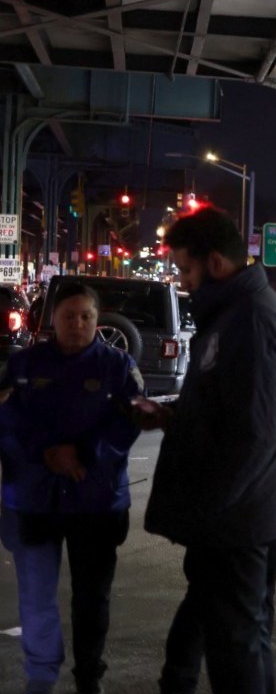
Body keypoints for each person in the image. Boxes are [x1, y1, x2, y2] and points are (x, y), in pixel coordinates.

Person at [139, 210, 276, 693]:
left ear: (215, 262)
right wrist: (173, 417)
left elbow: (254, 434)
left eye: (186, 271)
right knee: (229, 636)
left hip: (238, 522)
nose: (184, 283)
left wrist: (206, 511)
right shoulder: (234, 313)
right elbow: (228, 411)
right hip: (233, 518)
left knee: (238, 650)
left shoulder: (251, 319)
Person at [0, 282, 142, 694]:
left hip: (96, 501)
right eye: (68, 316)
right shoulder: (24, 366)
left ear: (97, 322)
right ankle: (41, 674)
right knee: (37, 593)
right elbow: (7, 422)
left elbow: (129, 422)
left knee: (91, 599)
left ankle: (88, 677)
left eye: (86, 316)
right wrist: (45, 453)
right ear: (53, 320)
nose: (77, 324)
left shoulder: (118, 367)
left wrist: (83, 453)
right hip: (35, 499)